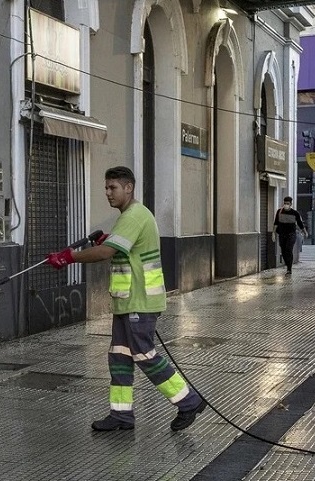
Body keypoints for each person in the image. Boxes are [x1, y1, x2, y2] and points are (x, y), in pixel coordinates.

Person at [45, 166, 206, 432]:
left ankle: (188, 401)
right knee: (119, 357)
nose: (108, 193)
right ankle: (121, 415)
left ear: (128, 188)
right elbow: (122, 247)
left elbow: (106, 253)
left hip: (139, 303)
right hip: (127, 302)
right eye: (106, 188)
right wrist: (109, 239)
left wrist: (68, 257)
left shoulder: (133, 215)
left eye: (113, 188)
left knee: (143, 355)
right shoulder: (130, 217)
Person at [273, 196, 308, 275]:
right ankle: (287, 264)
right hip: (282, 234)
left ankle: (289, 269)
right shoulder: (279, 212)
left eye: (287, 203)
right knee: (283, 251)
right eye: (285, 203)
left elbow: (300, 223)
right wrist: (273, 233)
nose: (286, 205)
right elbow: (276, 223)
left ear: (291, 204)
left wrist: (305, 232)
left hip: (291, 234)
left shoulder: (295, 213)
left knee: (289, 249)